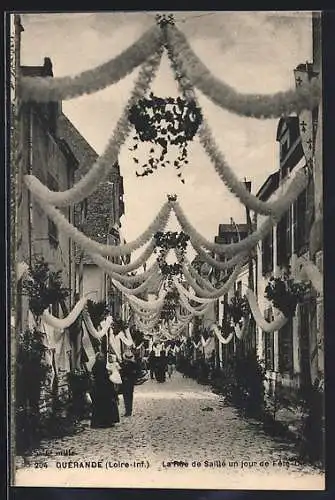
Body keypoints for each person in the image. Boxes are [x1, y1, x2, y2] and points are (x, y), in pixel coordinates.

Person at [90, 352, 120, 428]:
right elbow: (102, 377)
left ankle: (103, 422)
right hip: (102, 389)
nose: (102, 359)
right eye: (100, 357)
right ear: (97, 358)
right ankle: (104, 422)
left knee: (104, 406)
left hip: (102, 389)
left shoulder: (99, 366)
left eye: (102, 357)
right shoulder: (99, 366)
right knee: (103, 406)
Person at [119, 350, 138, 417]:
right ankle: (129, 410)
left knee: (127, 397)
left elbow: (122, 373)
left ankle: (128, 411)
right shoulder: (134, 364)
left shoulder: (123, 364)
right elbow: (136, 373)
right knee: (129, 396)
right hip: (130, 382)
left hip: (126, 382)